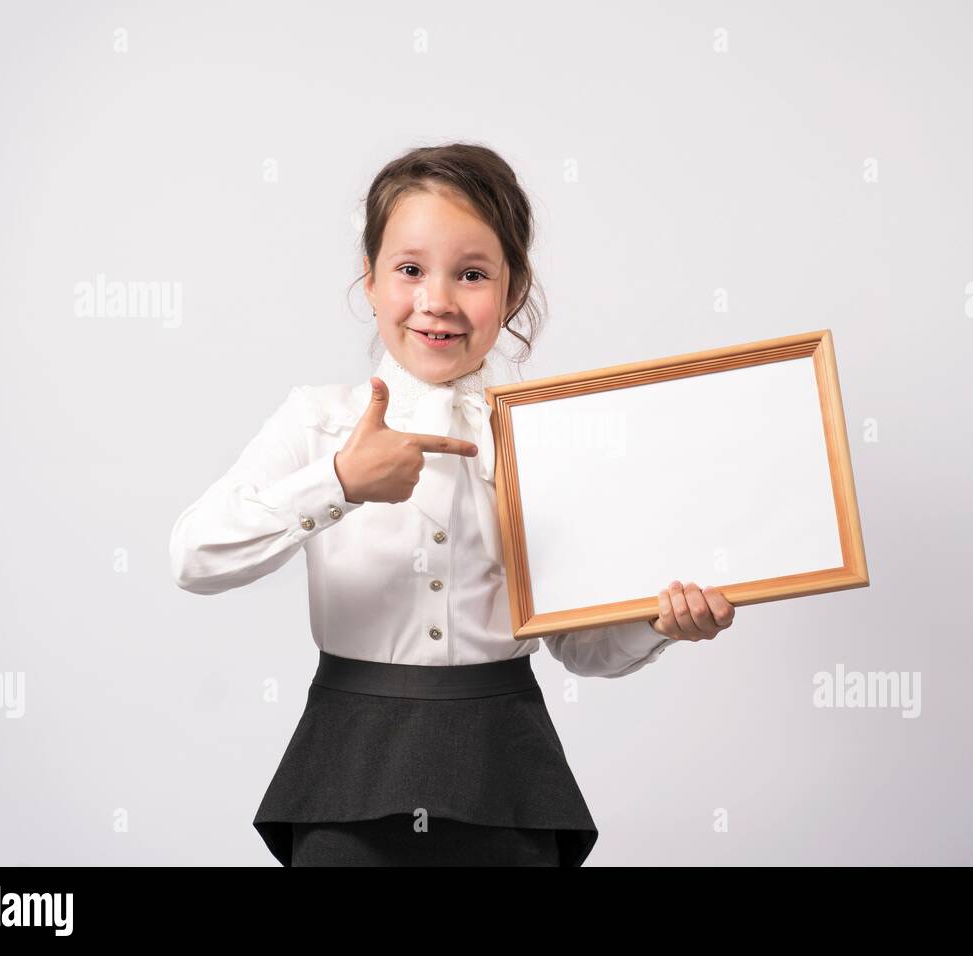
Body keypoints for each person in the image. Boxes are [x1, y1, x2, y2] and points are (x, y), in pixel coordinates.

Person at [168, 143, 735, 867]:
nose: (437, 299)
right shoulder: (316, 422)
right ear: (369, 282)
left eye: (471, 274)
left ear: (512, 289)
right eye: (409, 270)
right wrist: (339, 482)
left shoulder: (545, 439)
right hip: (348, 764)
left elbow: (582, 649)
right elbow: (194, 557)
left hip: (508, 770)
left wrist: (659, 623)